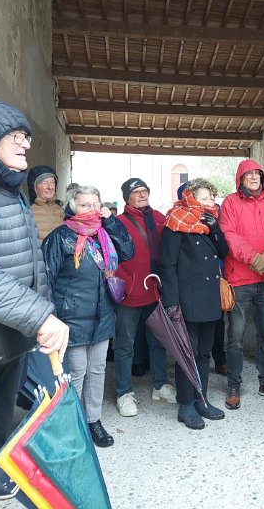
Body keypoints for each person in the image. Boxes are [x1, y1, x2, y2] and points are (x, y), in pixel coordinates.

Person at [0, 100, 70, 507]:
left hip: (9, 341)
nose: (26, 144)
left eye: (27, 137)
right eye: (16, 137)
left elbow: (32, 264)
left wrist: (44, 312)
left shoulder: (9, 193)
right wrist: (40, 316)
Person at [43, 185, 134, 448]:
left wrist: (111, 222)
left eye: (95, 204)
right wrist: (51, 317)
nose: (91, 209)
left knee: (98, 369)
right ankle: (73, 423)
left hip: (103, 314)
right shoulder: (60, 237)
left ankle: (94, 420)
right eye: (84, 205)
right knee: (76, 372)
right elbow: (46, 279)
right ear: (73, 207)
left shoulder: (104, 232)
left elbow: (128, 252)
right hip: (70, 318)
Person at [219, 159, 264, 410]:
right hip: (240, 279)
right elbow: (228, 235)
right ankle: (234, 384)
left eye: (256, 174)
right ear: (240, 178)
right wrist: (253, 259)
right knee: (236, 336)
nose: (253, 178)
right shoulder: (230, 203)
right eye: (248, 174)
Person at [159, 179, 229, 429]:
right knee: (187, 354)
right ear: (190, 197)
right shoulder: (175, 222)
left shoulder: (210, 222)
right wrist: (171, 303)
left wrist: (215, 229)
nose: (209, 202)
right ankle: (186, 405)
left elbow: (224, 252)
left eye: (211, 198)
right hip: (186, 299)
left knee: (203, 353)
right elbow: (167, 266)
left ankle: (201, 399)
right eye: (204, 198)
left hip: (209, 298)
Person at [115, 178, 175, 417]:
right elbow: (111, 258)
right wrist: (127, 285)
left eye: (145, 191)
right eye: (137, 192)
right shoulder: (118, 223)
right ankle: (124, 392)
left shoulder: (159, 217)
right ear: (127, 197)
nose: (142, 195)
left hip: (155, 292)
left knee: (158, 341)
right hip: (130, 295)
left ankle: (160, 385)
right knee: (125, 345)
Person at [27, 165, 64, 240]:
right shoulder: (27, 209)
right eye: (45, 183)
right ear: (34, 187)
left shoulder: (61, 208)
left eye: (52, 182)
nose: (50, 187)